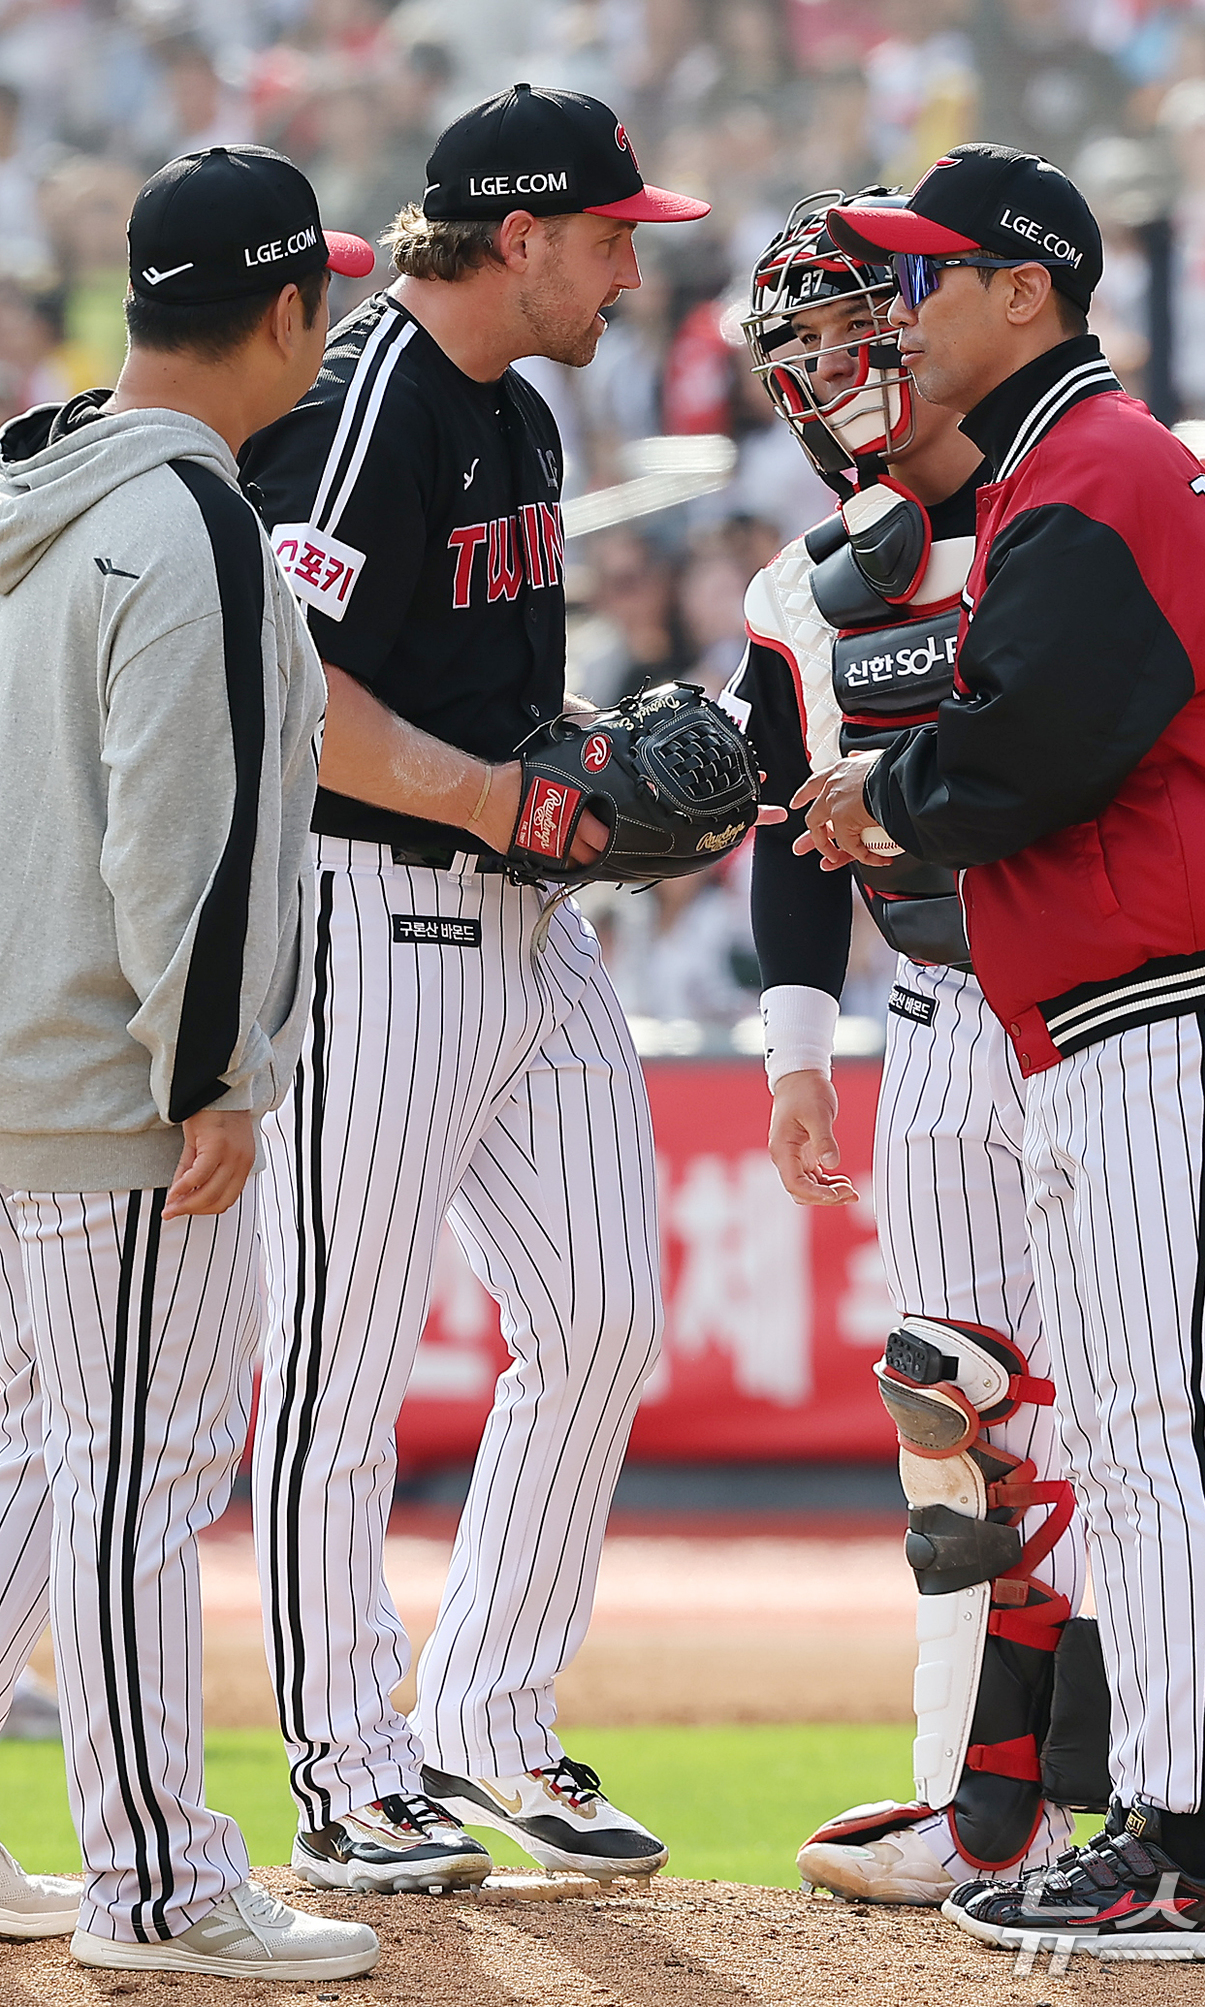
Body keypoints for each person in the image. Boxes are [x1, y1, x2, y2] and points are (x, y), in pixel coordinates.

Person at [726, 187, 1205, 1930]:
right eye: (846, 313)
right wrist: (803, 1007)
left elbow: (1030, 751)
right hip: (1016, 997)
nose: (874, 338)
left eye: (909, 291)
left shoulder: (1085, 475)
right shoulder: (924, 522)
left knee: (1164, 1426)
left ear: (1019, 290)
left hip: (1146, 986)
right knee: (1025, 1412)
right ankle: (1036, 1801)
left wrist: (879, 803)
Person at [241, 83, 710, 1892]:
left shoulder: (520, 413)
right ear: (517, 236)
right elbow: (287, 691)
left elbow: (476, 696)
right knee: (342, 1360)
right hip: (372, 912)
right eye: (612, 238)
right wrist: (504, 790)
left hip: (529, 924)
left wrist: (591, 772)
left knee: (601, 1319)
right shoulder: (366, 401)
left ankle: (487, 1725)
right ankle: (345, 1766)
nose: (630, 271)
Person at [0, 146, 381, 1979]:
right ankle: (156, 1883)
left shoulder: (33, 480)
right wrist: (210, 1069)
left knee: (37, 1461)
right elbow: (192, 834)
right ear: (289, 310)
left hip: (12, 1059)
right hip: (111, 1080)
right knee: (135, 1475)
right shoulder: (193, 518)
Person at [724, 188, 1086, 1902]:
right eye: (793, 340)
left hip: (1099, 999)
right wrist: (798, 1049)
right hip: (935, 1013)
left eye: (855, 321)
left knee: (1130, 1419)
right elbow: (785, 827)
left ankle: (1192, 1790)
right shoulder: (799, 591)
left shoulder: (1051, 515)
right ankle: (968, 1797)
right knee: (943, 1412)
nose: (831, 367)